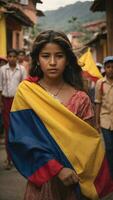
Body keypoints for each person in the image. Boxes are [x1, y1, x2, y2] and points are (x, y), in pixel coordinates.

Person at [8, 31, 113, 200]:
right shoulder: (27, 93)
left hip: (74, 180)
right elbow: (21, 140)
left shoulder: (81, 99)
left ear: (68, 60)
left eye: (59, 56)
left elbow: (87, 145)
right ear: (37, 59)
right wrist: (56, 169)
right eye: (45, 56)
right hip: (43, 180)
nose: (52, 62)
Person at [0, 49, 27, 169]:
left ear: (17, 58)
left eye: (13, 56)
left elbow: (25, 88)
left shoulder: (22, 69)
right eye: (9, 56)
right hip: (6, 101)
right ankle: (9, 158)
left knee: (18, 130)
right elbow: (0, 87)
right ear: (7, 57)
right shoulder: (2, 70)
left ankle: (19, 159)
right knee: (8, 130)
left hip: (18, 103)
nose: (11, 58)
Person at [95, 56, 113, 178]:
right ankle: (110, 175)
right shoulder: (100, 83)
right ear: (104, 69)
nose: (111, 69)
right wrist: (96, 122)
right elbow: (97, 103)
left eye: (112, 67)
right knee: (109, 148)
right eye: (108, 67)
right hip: (105, 121)